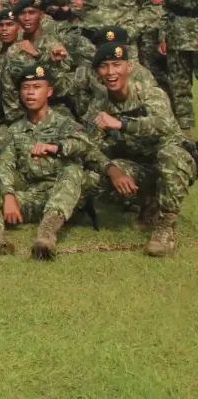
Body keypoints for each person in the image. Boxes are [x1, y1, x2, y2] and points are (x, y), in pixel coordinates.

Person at [67, 43, 196, 256]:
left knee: (171, 156)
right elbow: (90, 147)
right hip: (141, 167)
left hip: (173, 161)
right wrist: (112, 170)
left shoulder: (149, 92)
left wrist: (122, 124)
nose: (110, 72)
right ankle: (149, 203)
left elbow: (162, 124)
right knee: (97, 174)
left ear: (128, 67)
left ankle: (165, 229)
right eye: (104, 66)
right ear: (97, 72)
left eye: (116, 65)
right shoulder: (100, 103)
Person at [0, 66, 92, 260]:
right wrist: (8, 196)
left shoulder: (65, 124)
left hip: (64, 198)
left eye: (37, 87)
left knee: (72, 170)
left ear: (49, 91)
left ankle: (46, 236)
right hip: (34, 195)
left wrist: (57, 147)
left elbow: (84, 144)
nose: (30, 93)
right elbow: (4, 164)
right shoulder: (15, 130)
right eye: (26, 88)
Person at [161, 0, 198, 132]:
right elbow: (162, 3)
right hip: (178, 31)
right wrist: (162, 35)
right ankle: (187, 139)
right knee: (180, 89)